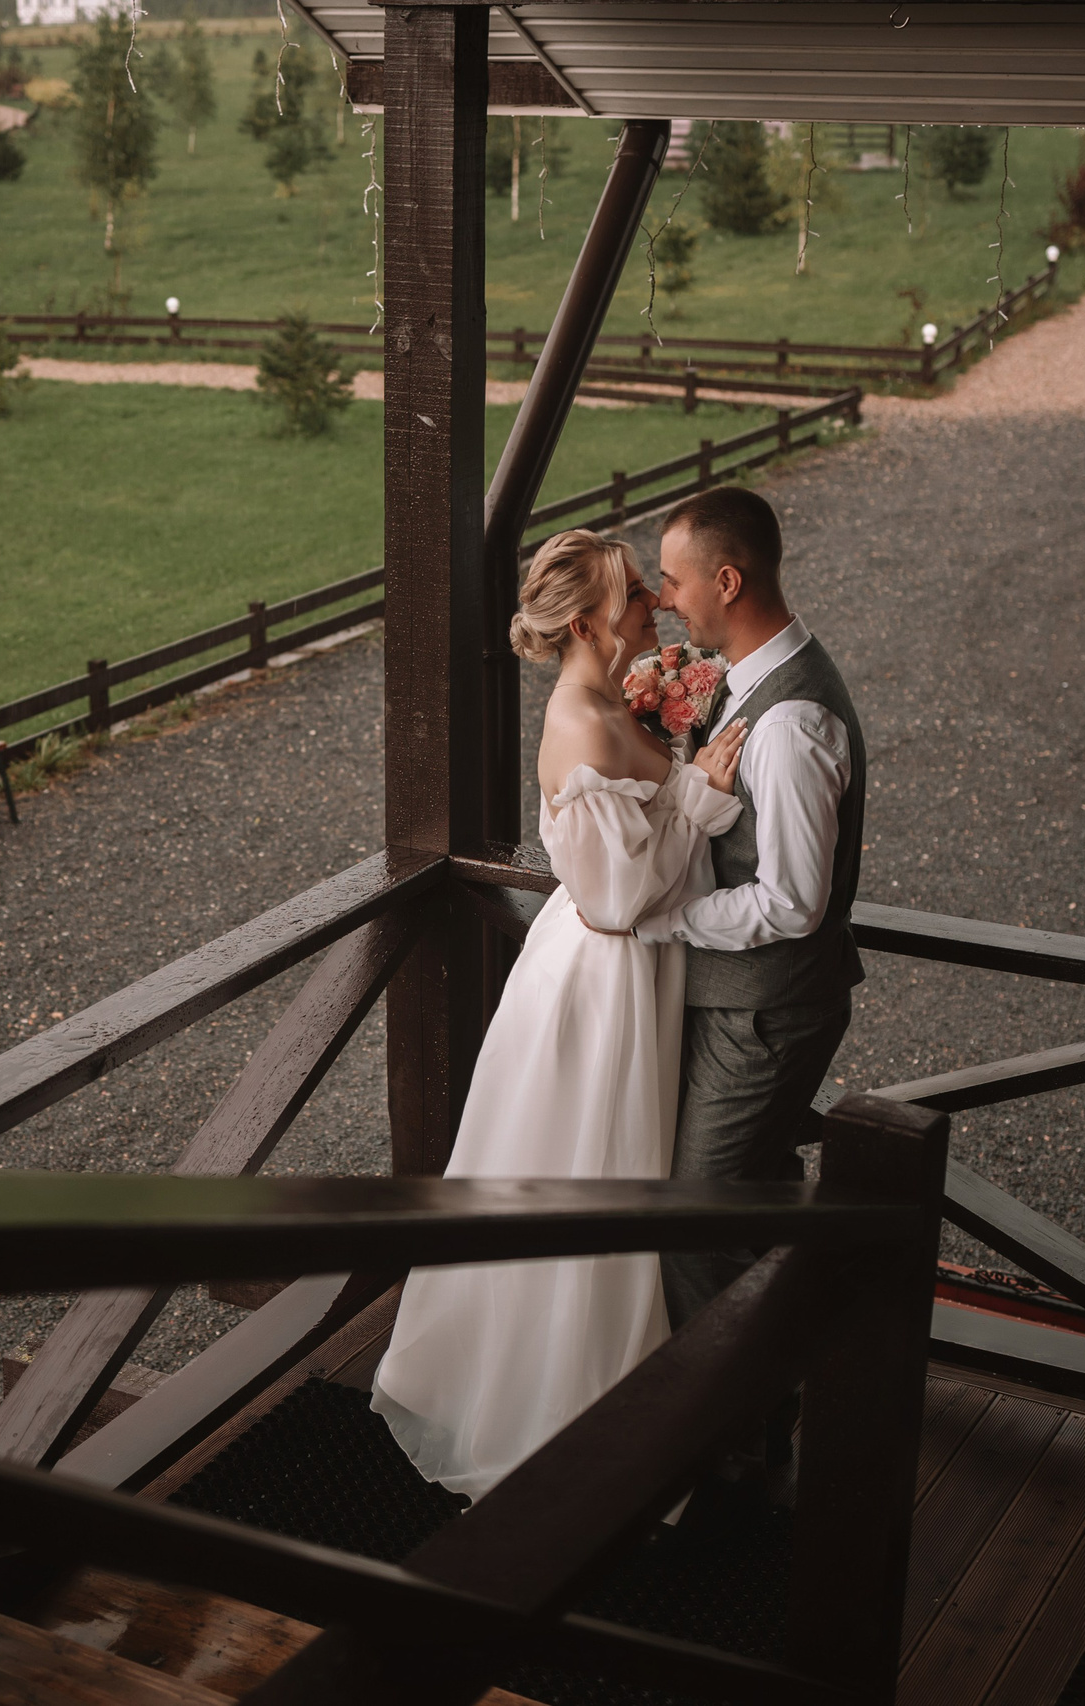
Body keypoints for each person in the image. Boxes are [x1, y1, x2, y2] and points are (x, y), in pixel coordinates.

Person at [370, 530, 748, 1502]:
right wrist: (702, 801)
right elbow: (615, 901)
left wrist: (680, 756)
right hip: (603, 983)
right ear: (585, 623)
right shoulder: (579, 723)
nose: (652, 605)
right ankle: (567, 1427)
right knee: (594, 1182)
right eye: (635, 594)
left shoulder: (616, 699)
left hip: (634, 971)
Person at [638, 487, 867, 1428]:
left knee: (692, 1220)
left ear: (726, 582)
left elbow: (792, 903)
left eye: (674, 580)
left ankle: (735, 1432)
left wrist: (667, 918)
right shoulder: (748, 679)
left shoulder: (790, 724)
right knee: (762, 1202)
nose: (664, 599)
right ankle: (789, 1389)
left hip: (763, 1014)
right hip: (745, 1003)